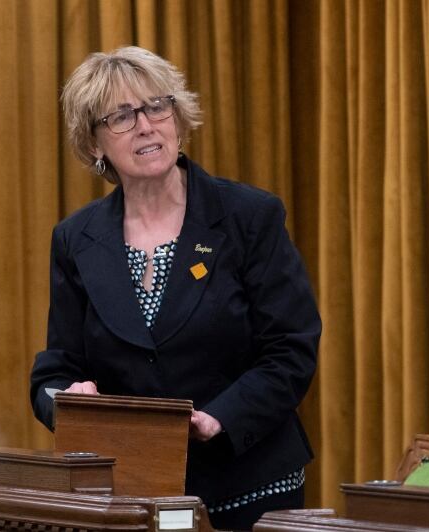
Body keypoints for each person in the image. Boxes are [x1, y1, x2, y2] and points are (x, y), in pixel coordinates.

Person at [30, 46, 321, 531]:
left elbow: (291, 350)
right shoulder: (75, 239)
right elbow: (56, 368)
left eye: (156, 106)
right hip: (135, 495)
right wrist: (67, 398)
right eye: (121, 116)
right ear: (94, 142)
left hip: (248, 486)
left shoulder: (249, 216)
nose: (145, 125)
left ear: (178, 118)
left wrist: (218, 417)